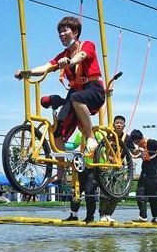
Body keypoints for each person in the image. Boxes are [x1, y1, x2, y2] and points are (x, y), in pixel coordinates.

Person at [14, 16, 104, 155]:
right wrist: (27, 72)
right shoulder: (63, 55)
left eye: (65, 31)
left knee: (76, 97)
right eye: (60, 32)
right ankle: (60, 173)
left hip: (93, 88)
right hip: (75, 93)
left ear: (75, 32)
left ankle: (91, 136)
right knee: (56, 131)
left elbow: (82, 55)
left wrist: (71, 62)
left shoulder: (87, 44)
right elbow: (46, 67)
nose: (62, 34)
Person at [64, 129, 104, 222]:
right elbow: (74, 145)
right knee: (76, 190)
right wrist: (61, 145)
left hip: (95, 167)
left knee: (89, 192)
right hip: (83, 167)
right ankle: (73, 215)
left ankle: (90, 216)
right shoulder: (79, 134)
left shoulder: (97, 133)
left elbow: (103, 147)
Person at [130, 129, 157, 224]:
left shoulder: (151, 142)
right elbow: (144, 154)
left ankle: (155, 216)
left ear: (141, 138)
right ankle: (143, 217)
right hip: (144, 172)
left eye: (138, 142)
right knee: (139, 194)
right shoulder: (140, 147)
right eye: (135, 143)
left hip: (154, 173)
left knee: (152, 195)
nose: (137, 144)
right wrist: (135, 156)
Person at [98, 115, 129, 222]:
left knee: (117, 192)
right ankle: (102, 214)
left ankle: (109, 214)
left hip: (119, 168)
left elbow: (133, 151)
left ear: (124, 125)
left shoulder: (127, 138)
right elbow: (100, 149)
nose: (119, 125)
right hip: (108, 166)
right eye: (117, 123)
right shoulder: (108, 136)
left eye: (121, 123)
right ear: (113, 125)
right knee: (105, 190)